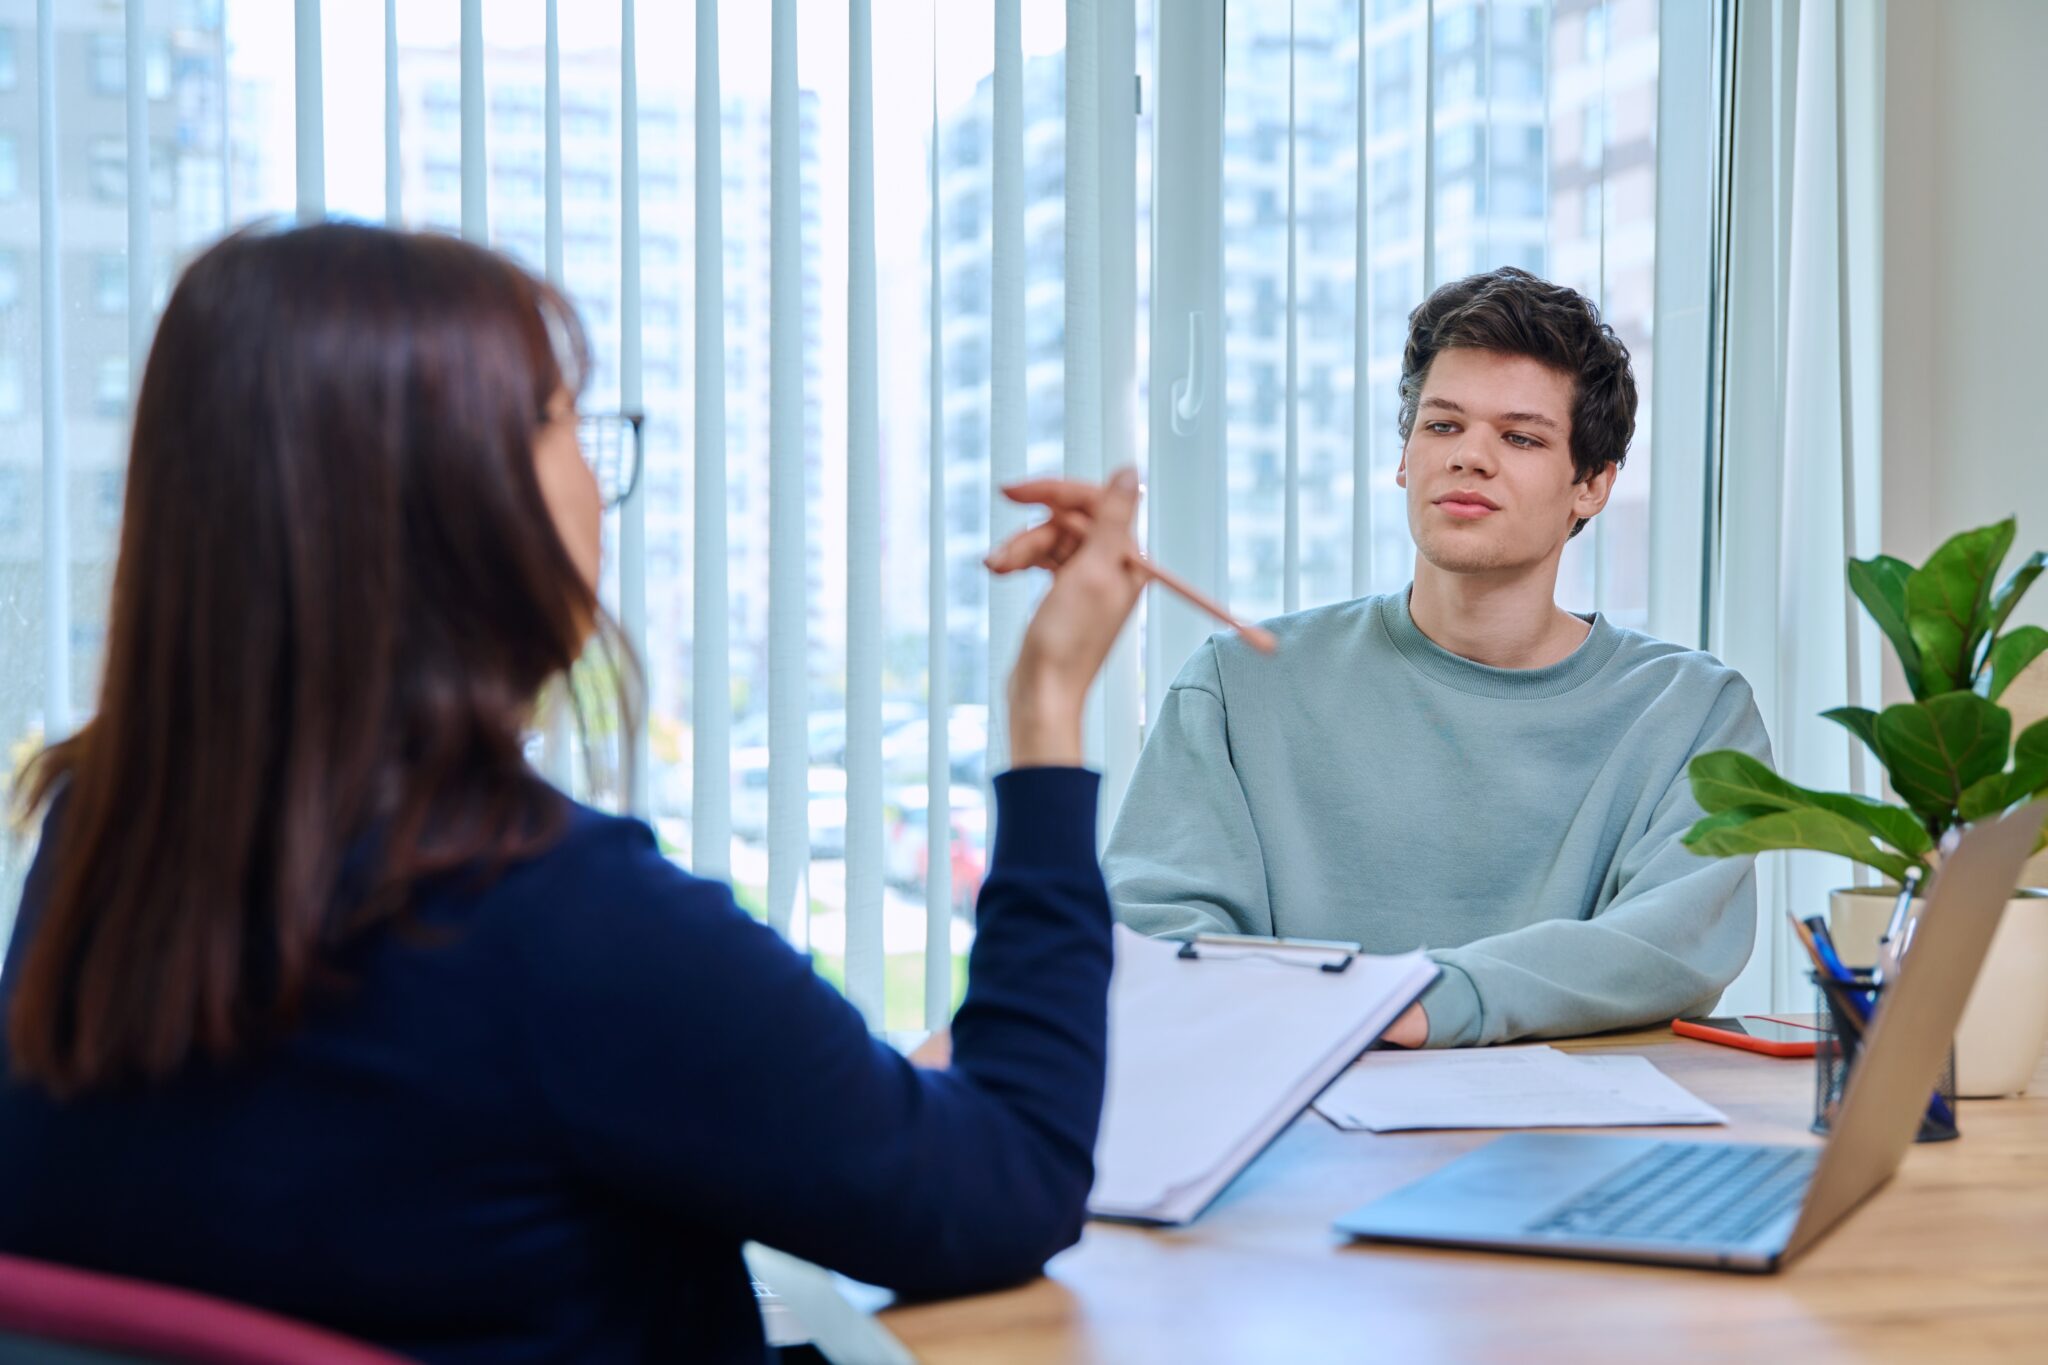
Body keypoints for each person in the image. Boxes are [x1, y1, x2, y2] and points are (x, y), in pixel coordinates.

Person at [0, 222, 1148, 1364]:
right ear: (455, 494)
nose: (599, 481)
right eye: (564, 423)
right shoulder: (550, 914)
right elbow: (1007, 1188)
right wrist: (1047, 716)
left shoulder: (99, 844)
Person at [1104, 267, 1772, 1049]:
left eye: (1520, 437)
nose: (1471, 457)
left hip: (1577, 1138)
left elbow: (1673, 942)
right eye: (1443, 425)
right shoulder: (1239, 680)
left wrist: (1422, 1002)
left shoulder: (1692, 710)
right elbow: (1153, 934)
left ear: (1591, 484)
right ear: (1404, 457)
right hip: (1294, 1130)